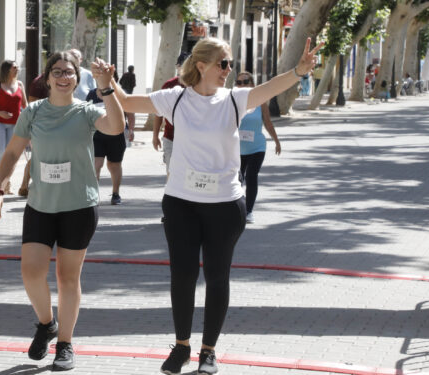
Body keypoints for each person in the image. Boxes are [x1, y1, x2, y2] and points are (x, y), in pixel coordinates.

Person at [111, 37, 320, 375]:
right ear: (202, 65)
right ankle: (181, 347)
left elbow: (269, 87)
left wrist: (298, 71)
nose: (229, 70)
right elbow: (127, 102)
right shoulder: (174, 98)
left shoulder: (235, 100)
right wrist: (108, 84)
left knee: (217, 276)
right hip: (181, 203)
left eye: (231, 64)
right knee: (182, 275)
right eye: (224, 63)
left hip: (224, 205)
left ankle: (208, 351)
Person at [0, 52, 124, 371]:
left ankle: (64, 343)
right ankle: (46, 323)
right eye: (58, 72)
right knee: (31, 272)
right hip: (41, 205)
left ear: (77, 79)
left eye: (70, 72)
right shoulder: (33, 112)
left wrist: (106, 87)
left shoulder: (87, 111)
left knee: (66, 277)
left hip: (79, 205)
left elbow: (116, 127)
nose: (64, 76)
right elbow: (12, 152)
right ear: (47, 78)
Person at [234, 71, 281, 223]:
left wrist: (276, 140)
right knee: (236, 179)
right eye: (239, 82)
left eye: (245, 81)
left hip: (257, 147)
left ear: (252, 84)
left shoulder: (261, 102)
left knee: (251, 176)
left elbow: (267, 122)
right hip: (237, 149)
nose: (242, 85)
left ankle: (248, 211)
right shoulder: (233, 101)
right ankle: (235, 209)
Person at [0, 60, 28, 193]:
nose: (17, 69)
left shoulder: (20, 84)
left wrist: (27, 120)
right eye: (14, 67)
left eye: (17, 67)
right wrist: (0, 113)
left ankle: (6, 184)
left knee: (11, 155)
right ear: (7, 70)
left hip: (15, 124)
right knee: (0, 153)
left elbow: (25, 106)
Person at [86, 87, 134, 205]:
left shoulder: (119, 93)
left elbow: (130, 113)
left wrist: (131, 130)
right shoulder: (92, 94)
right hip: (96, 135)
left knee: (114, 165)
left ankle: (115, 193)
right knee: (97, 164)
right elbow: (86, 113)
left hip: (116, 135)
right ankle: (94, 195)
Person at [152, 52, 189, 176]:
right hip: (171, 137)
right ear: (177, 66)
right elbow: (158, 113)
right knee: (171, 173)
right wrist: (155, 135)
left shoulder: (199, 86)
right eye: (183, 65)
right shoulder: (169, 85)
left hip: (192, 140)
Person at [18, 72, 50, 197]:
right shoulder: (39, 82)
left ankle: (25, 185)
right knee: (38, 155)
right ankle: (24, 185)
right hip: (41, 125)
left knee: (39, 156)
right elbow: (32, 102)